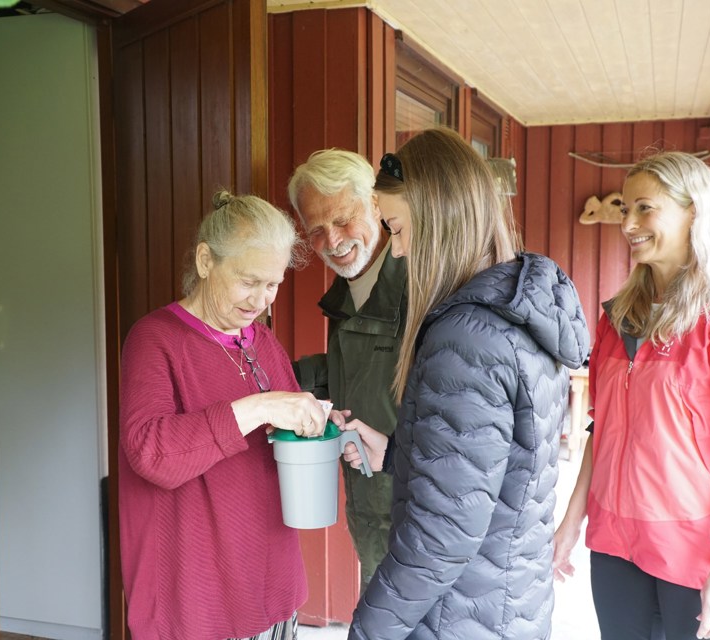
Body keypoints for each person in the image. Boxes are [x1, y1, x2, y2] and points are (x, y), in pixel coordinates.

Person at [340, 127, 591, 640]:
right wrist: (396, 453)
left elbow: (440, 537)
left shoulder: (466, 337)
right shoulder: (519, 311)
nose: (399, 251)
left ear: (439, 219)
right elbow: (495, 469)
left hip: (459, 618)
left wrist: (367, 630)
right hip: (504, 603)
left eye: (399, 228)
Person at [553, 151, 710, 640]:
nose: (629, 223)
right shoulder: (619, 318)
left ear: (695, 213)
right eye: (626, 209)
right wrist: (570, 522)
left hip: (698, 554)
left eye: (646, 208)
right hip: (617, 548)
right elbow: (601, 429)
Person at [118, 191, 330, 640]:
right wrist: (260, 406)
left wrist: (322, 424)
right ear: (204, 261)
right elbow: (150, 452)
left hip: (272, 585)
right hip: (198, 600)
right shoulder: (154, 339)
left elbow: (284, 431)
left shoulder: (261, 340)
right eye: (248, 280)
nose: (261, 299)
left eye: (273, 284)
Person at [287, 149, 405, 593]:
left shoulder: (421, 279)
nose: (332, 241)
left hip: (418, 514)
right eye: (316, 230)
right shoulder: (347, 292)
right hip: (371, 509)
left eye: (342, 220)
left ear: (376, 204)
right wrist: (275, 382)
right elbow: (357, 373)